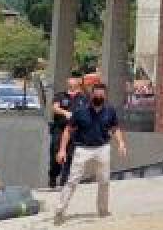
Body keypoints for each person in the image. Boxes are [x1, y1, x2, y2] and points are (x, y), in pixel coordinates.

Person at [54, 83, 127, 225]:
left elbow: (115, 128)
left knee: (104, 181)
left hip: (102, 148)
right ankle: (60, 211)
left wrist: (121, 143)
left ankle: (103, 211)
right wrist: (62, 150)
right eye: (96, 94)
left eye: (101, 94)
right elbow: (68, 130)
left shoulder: (110, 111)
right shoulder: (80, 111)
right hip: (82, 149)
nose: (99, 96)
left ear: (105, 96)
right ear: (92, 95)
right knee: (72, 181)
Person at [48, 77, 85, 189]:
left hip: (75, 130)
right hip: (59, 129)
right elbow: (54, 108)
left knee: (70, 155)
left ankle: (64, 182)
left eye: (74, 80)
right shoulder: (60, 95)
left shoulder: (84, 98)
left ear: (78, 83)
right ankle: (53, 175)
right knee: (56, 153)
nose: (70, 82)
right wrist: (65, 113)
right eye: (69, 80)